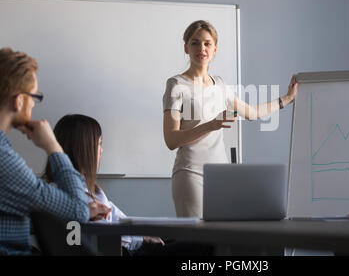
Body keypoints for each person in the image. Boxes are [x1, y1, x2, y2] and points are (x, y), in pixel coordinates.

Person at [163, 20, 299, 217]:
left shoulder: (220, 85)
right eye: (195, 42)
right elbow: (171, 140)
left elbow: (251, 113)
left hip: (221, 177)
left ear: (215, 49)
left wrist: (287, 99)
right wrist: (211, 125)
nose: (202, 48)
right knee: (196, 244)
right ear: (186, 47)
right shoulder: (176, 85)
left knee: (222, 241)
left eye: (207, 43)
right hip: (190, 174)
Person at [45, 114, 213, 256]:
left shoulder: (93, 190)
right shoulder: (61, 193)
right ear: (83, 149)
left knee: (196, 240)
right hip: (124, 251)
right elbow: (102, 232)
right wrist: (141, 238)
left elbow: (121, 220)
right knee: (204, 246)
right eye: (99, 144)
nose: (101, 151)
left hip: (132, 245)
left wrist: (144, 235)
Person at [0, 47, 110, 255]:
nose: (33, 104)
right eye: (34, 96)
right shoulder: (4, 159)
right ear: (19, 100)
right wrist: (53, 147)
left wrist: (81, 211)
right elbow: (77, 211)